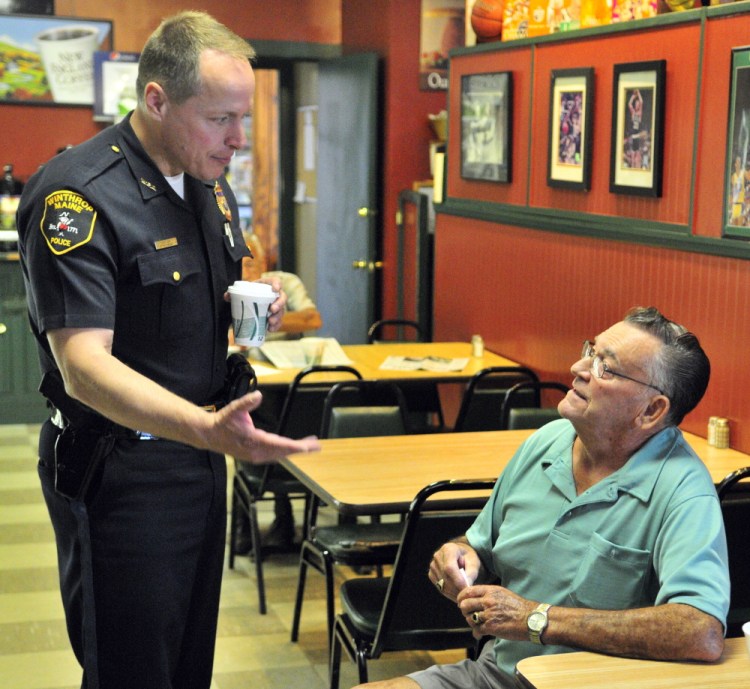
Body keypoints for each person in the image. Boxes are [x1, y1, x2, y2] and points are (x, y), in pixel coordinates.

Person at [17, 11, 318, 689]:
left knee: (187, 663)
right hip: (120, 468)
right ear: (155, 99)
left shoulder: (207, 182)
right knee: (132, 668)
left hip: (200, 457)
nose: (238, 139)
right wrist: (204, 428)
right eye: (221, 119)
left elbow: (186, 310)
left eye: (243, 118)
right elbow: (85, 368)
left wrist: (256, 304)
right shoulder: (79, 196)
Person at [356, 307, 729, 689]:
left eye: (606, 368)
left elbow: (699, 630)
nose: (578, 367)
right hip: (499, 674)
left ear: (652, 411)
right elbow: (478, 545)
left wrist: (538, 619)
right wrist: (458, 557)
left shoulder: (683, 490)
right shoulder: (547, 440)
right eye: (591, 351)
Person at [232, 238, 324, 552]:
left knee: (286, 414)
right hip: (253, 378)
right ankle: (250, 524)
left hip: (290, 375)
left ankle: (280, 511)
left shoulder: (286, 283)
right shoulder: (225, 287)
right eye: (243, 261)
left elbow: (313, 319)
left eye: (253, 260)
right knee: (251, 415)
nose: (249, 267)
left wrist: (272, 317)